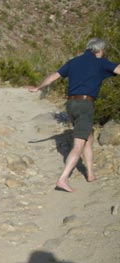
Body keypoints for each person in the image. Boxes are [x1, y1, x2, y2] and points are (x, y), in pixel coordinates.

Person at [28, 38, 119, 192]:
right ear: (99, 50)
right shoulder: (101, 62)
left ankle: (90, 174)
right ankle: (63, 179)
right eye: (103, 51)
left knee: (88, 136)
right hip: (85, 105)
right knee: (78, 145)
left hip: (71, 105)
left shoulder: (74, 62)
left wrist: (38, 87)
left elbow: (53, 77)